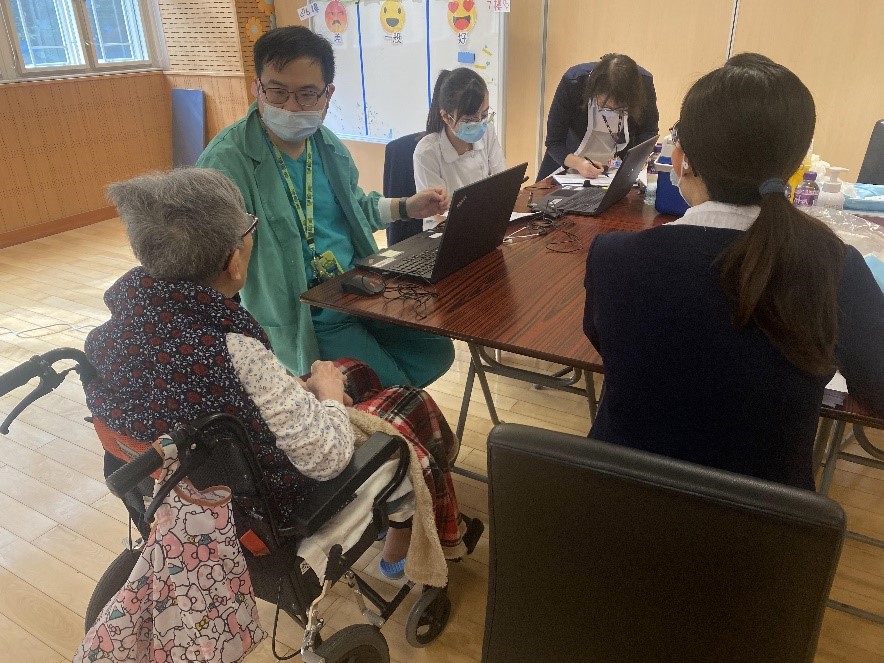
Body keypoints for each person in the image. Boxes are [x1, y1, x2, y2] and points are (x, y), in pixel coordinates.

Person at [85, 168, 482, 582]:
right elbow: (327, 459)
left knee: (356, 370)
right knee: (411, 402)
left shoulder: (106, 339)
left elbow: (200, 394)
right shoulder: (234, 348)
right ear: (233, 262)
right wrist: (328, 397)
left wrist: (290, 388)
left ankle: (411, 495)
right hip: (278, 504)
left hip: (201, 477)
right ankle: (420, 527)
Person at [583, 53, 884, 490]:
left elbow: (607, 343)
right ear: (794, 165)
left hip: (614, 498)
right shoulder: (835, 268)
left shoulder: (613, 257)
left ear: (682, 159)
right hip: (763, 521)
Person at [196, 26, 454, 389]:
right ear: (257, 87)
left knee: (435, 351)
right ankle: (363, 407)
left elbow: (354, 209)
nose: (290, 106)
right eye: (277, 91)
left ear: (327, 94)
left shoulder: (327, 146)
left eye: (306, 94)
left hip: (356, 287)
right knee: (388, 384)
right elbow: (210, 257)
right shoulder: (226, 161)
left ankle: (366, 405)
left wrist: (406, 207)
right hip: (306, 312)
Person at [538, 53, 659, 181]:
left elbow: (649, 131)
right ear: (594, 89)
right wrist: (578, 163)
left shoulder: (643, 84)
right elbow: (554, 142)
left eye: (620, 109)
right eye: (605, 106)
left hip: (614, 172)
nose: (612, 112)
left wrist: (631, 165)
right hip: (568, 164)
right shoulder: (574, 82)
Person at [413, 68, 506, 221]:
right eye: (469, 120)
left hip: (486, 219)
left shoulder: (487, 131)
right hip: (444, 229)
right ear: (446, 117)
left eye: (484, 115)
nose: (479, 123)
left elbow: (501, 182)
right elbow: (438, 213)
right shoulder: (427, 152)